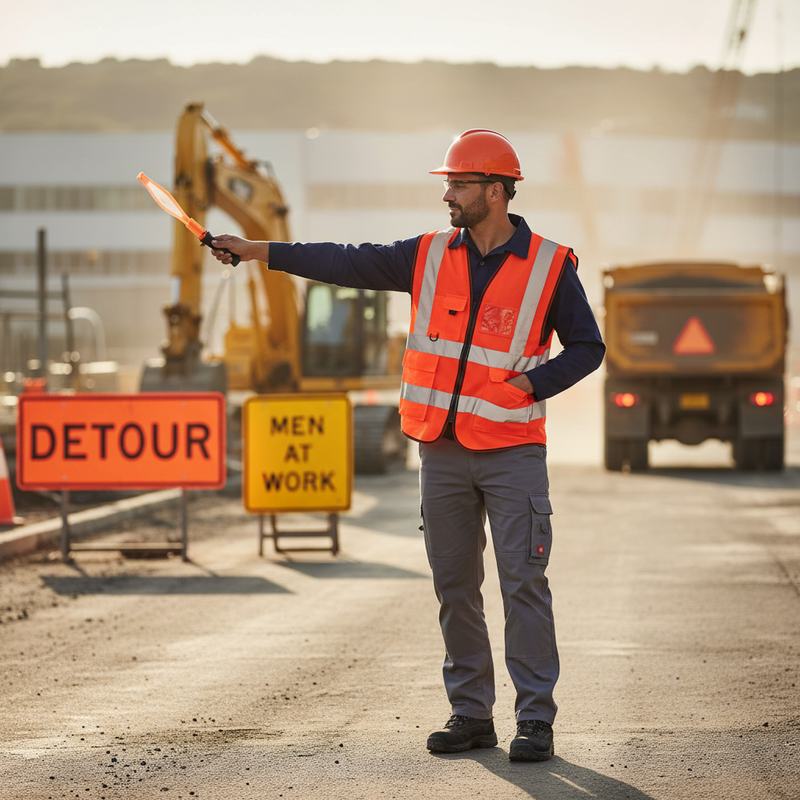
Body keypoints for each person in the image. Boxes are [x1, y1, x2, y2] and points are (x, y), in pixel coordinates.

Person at [210, 129, 605, 761]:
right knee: (454, 584)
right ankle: (471, 713)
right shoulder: (425, 254)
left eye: (458, 184)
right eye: (448, 183)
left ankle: (536, 720)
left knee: (522, 582)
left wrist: (529, 386)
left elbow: (589, 348)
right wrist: (255, 249)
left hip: (511, 451)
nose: (447, 194)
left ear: (497, 191)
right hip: (440, 451)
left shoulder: (551, 267)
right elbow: (343, 259)